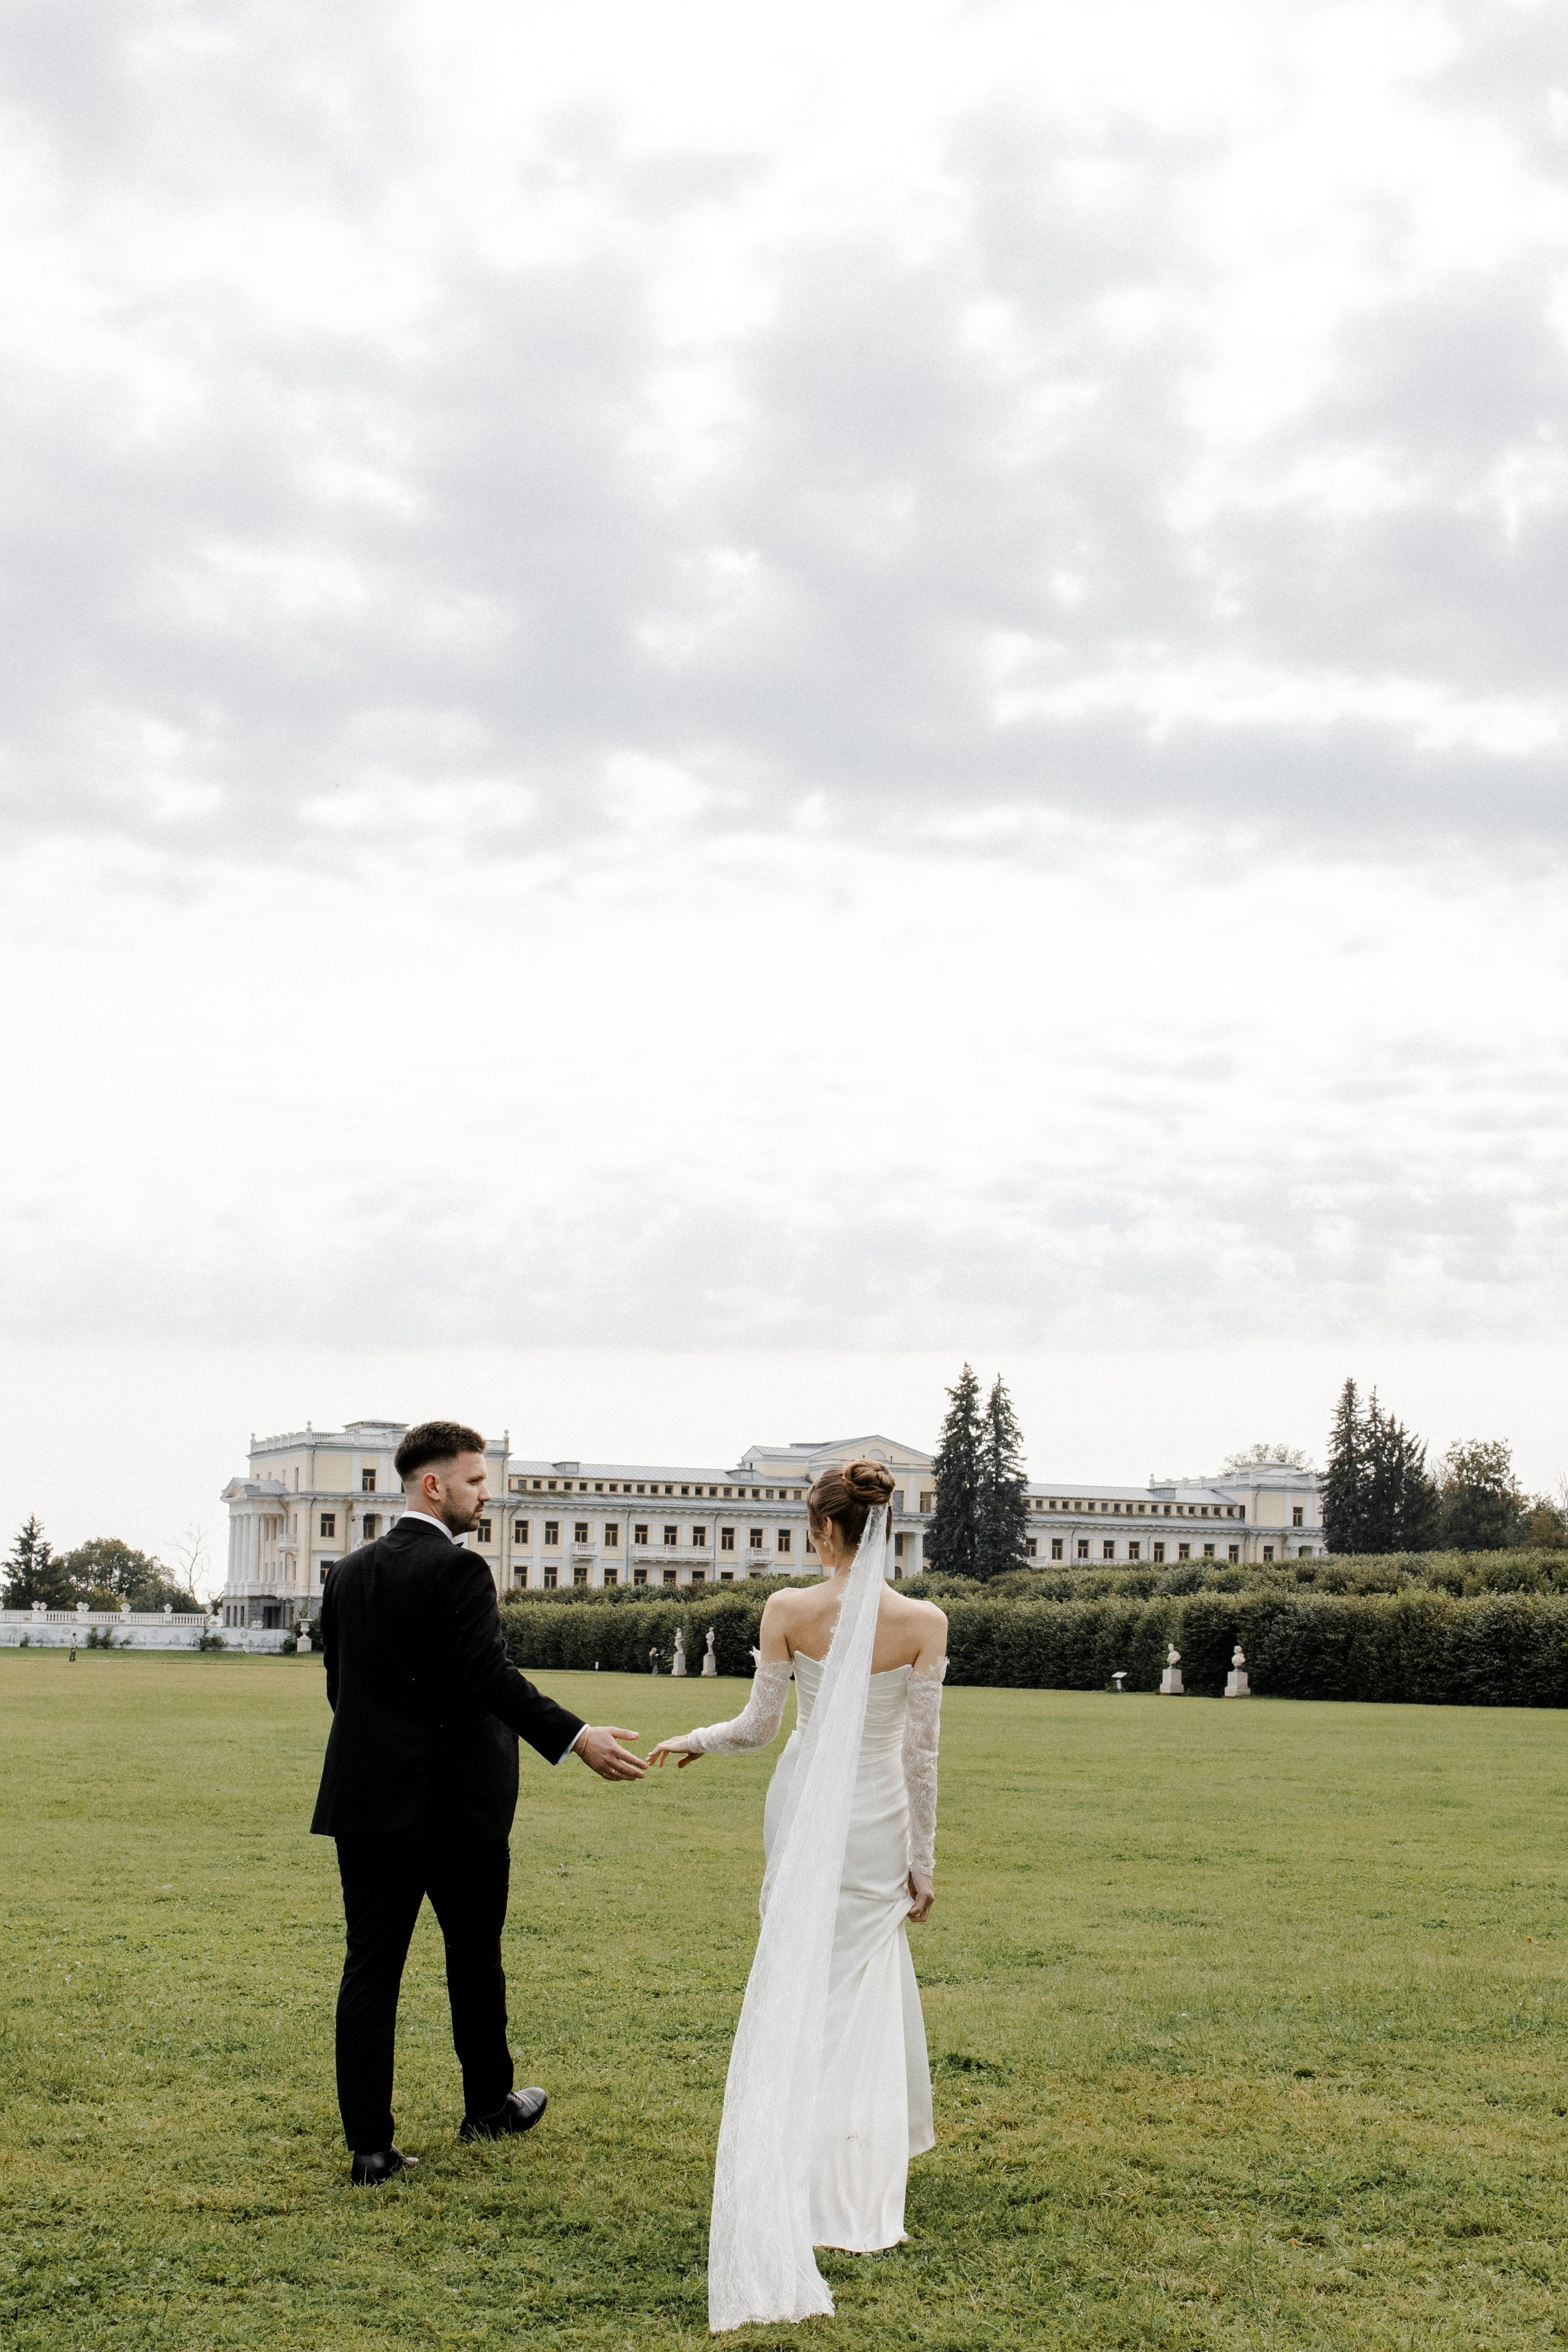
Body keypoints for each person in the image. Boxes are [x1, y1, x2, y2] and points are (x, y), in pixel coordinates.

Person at [648, 1459, 948, 2330]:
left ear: (822, 1528)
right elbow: (921, 1755)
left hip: (807, 1798)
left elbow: (758, 1728)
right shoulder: (925, 1621)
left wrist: (697, 1737)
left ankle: (793, 2154)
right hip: (879, 1813)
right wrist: (923, 1858)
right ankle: (853, 2167)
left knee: (799, 1976)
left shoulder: (787, 1609)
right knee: (859, 1981)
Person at [311, 1420, 645, 2185]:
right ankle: (488, 2107)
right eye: (474, 1482)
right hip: (458, 1809)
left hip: (366, 1802)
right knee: (473, 1959)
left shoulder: (348, 1572)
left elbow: (340, 1687)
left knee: (370, 1970)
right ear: (434, 1486)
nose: (485, 1496)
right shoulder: (459, 1570)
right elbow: (490, 1676)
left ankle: (370, 2149)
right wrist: (578, 1737)